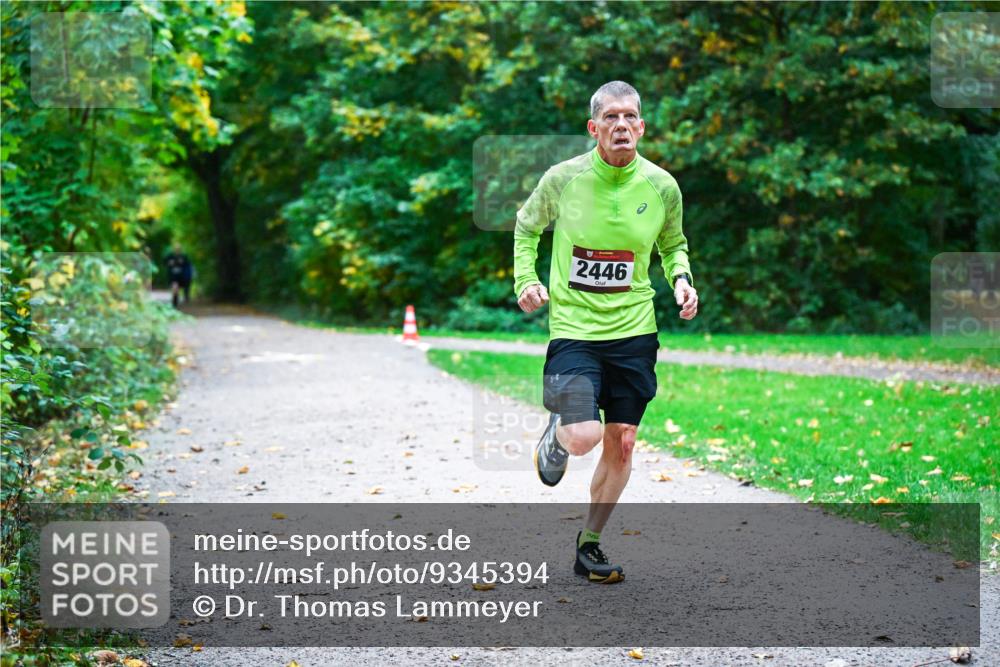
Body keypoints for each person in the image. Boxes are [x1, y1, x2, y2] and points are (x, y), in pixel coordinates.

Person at [513, 81, 698, 583]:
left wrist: (681, 279)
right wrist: (526, 279)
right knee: (583, 437)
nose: (621, 125)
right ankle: (558, 431)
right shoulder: (563, 179)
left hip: (635, 330)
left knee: (622, 441)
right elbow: (527, 227)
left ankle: (589, 544)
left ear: (641, 127)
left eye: (630, 117)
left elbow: (673, 244)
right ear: (594, 128)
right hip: (574, 327)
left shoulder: (661, 186)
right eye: (611, 118)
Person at [165, 243, 194, 308]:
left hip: (181, 276)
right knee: (175, 288)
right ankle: (174, 303)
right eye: (176, 249)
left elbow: (188, 265)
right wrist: (169, 263)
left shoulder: (184, 256)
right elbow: (165, 262)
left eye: (178, 249)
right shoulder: (170, 256)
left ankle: (181, 299)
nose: (177, 250)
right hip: (173, 276)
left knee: (180, 289)